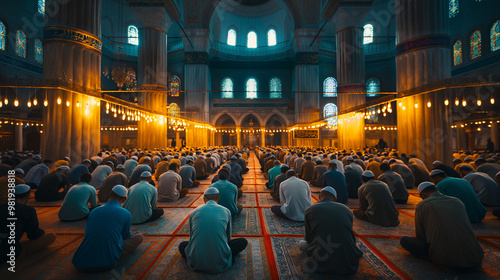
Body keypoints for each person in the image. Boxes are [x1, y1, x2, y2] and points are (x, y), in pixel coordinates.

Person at [400, 182, 484, 268]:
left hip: (446, 258)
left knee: (404, 240)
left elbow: (421, 236)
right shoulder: (457, 201)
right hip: (475, 256)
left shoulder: (423, 205)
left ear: (423, 195)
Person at [72, 185, 143, 272]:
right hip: (108, 262)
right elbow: (125, 236)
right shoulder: (126, 213)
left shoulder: (94, 211)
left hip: (80, 262)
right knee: (138, 236)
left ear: (110, 194)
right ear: (124, 199)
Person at [178, 188, 248, 273]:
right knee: (242, 242)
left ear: (204, 199)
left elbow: (192, 237)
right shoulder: (226, 211)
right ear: (218, 198)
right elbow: (227, 237)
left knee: (182, 246)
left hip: (196, 260)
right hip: (220, 260)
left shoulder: (194, 212)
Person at [299, 187, 362, 275]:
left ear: (320, 196)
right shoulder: (347, 210)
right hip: (348, 264)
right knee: (354, 243)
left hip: (320, 261)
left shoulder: (310, 209)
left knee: (302, 244)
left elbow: (309, 239)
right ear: (335, 199)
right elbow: (349, 233)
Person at [0, 184, 57, 264]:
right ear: (27, 196)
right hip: (6, 254)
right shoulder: (28, 210)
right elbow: (34, 235)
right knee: (51, 235)